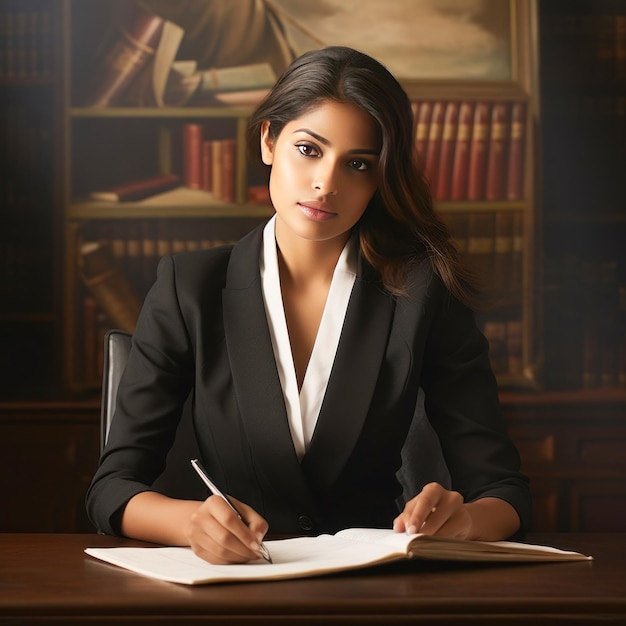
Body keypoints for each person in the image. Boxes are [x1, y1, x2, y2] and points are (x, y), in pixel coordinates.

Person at [86, 46, 531, 565]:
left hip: (371, 593)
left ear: (379, 178)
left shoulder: (424, 293)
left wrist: (467, 521)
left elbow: (504, 491)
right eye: (309, 149)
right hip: (230, 591)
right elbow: (111, 488)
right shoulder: (189, 287)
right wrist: (190, 523)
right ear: (269, 140)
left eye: (358, 164)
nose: (326, 183)